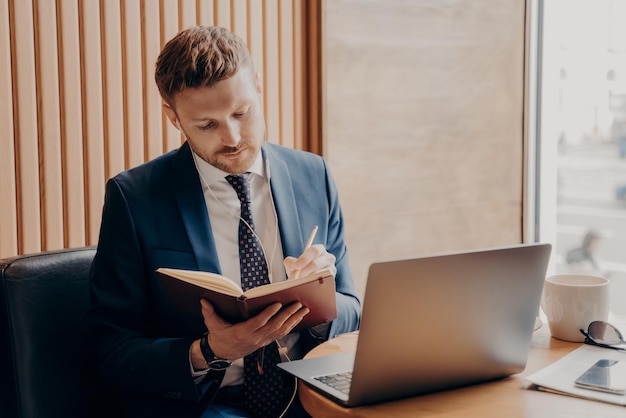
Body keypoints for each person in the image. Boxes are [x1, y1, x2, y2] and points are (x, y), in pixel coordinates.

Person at [88, 25, 361, 418]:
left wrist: (320, 303)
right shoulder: (134, 198)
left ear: (259, 87)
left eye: (241, 113)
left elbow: (353, 309)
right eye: (207, 125)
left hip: (310, 399)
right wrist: (210, 351)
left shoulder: (313, 175)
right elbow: (111, 351)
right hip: (207, 406)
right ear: (173, 117)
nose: (233, 138)